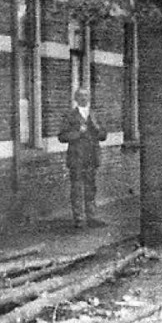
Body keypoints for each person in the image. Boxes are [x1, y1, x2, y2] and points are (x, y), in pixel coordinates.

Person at [57, 87, 107, 229]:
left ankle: (92, 217)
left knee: (91, 187)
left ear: (89, 97)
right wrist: (78, 133)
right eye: (80, 96)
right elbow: (62, 136)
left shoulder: (94, 115)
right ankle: (79, 218)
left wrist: (97, 128)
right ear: (76, 98)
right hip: (77, 158)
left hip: (91, 157)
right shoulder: (70, 116)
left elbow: (103, 135)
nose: (84, 98)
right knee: (77, 188)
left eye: (86, 96)